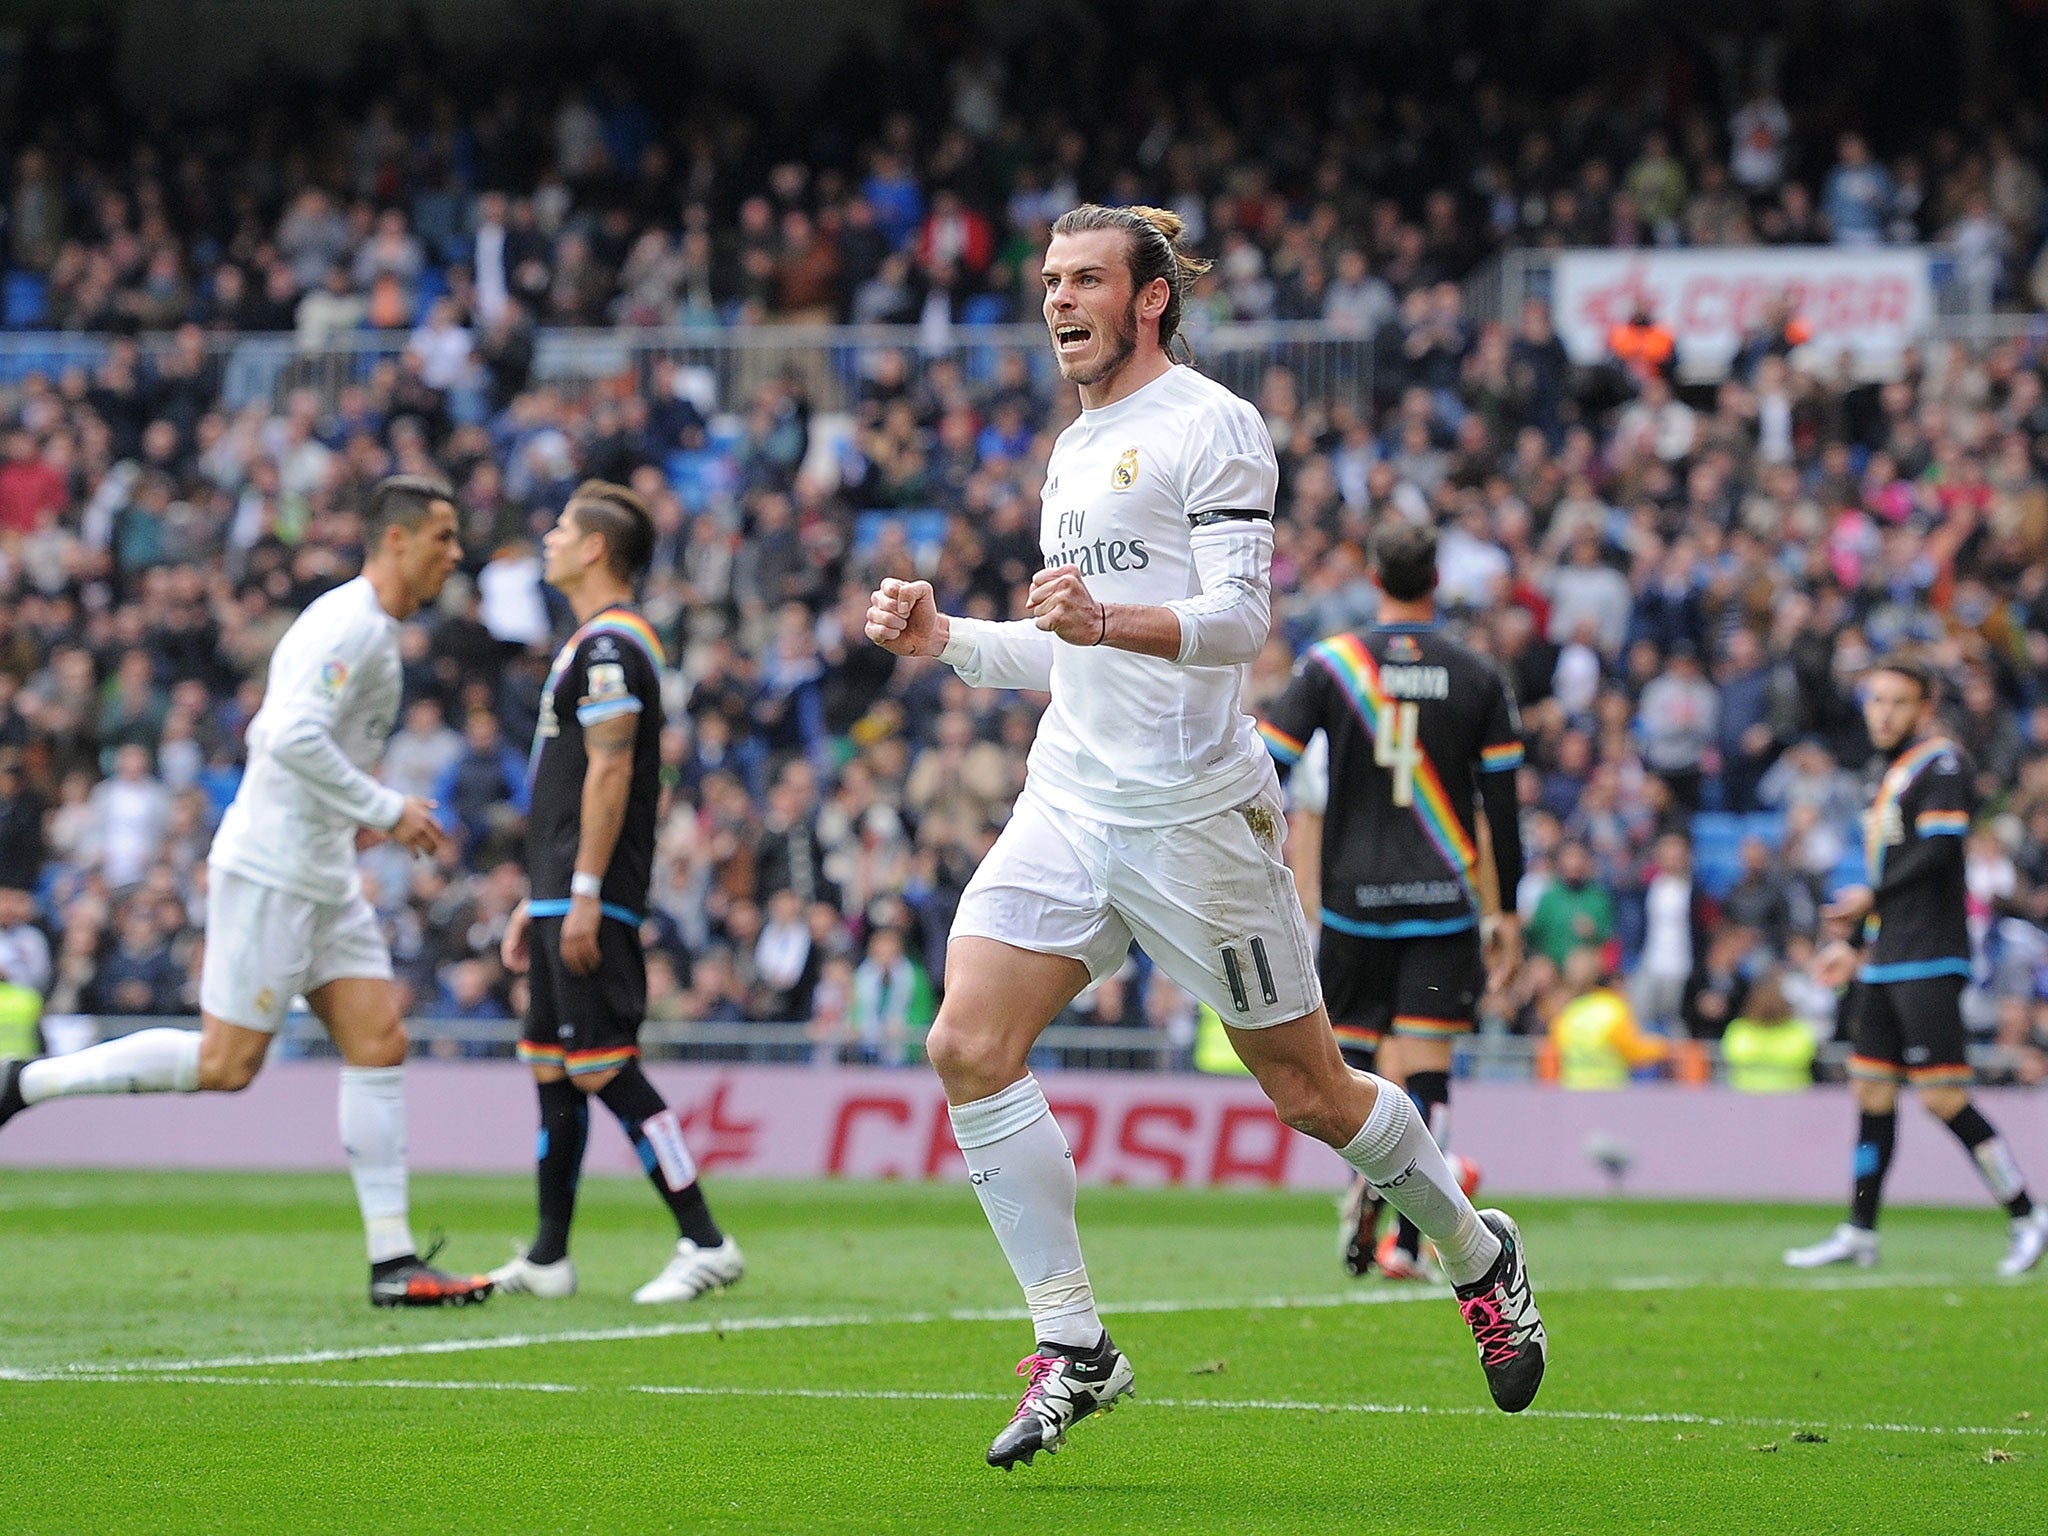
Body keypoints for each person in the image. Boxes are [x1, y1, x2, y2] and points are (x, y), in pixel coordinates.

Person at [864, 203, 1546, 1470]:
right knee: (964, 1040)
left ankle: (1475, 1250)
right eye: (1050, 281)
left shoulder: (1213, 425)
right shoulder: (1073, 449)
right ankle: (1073, 1346)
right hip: (1071, 800)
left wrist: (1103, 618)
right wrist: (945, 641)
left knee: (1309, 1091)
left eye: (1085, 281)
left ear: (1149, 299)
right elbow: (1062, 647)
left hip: (1195, 819)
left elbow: (1236, 623)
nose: (1059, 301)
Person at [0, 476, 492, 1308]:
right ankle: (21, 1084)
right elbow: (283, 733)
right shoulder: (355, 626)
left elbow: (306, 745)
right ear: (398, 539)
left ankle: (393, 1263)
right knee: (227, 1066)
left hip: (323, 871)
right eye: (443, 537)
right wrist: (384, 807)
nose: (456, 553)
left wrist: (356, 820)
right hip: (273, 870)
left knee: (379, 1042)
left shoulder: (368, 627)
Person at [493, 480, 744, 1305]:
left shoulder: (612, 647)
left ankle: (706, 1238)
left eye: (562, 527)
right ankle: (548, 1255)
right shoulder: (593, 643)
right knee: (555, 1068)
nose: (549, 539)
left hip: (588, 889)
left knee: (605, 1065)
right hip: (559, 890)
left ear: (596, 547)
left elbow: (608, 770)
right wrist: (536, 900)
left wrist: (585, 890)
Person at [1257, 518, 1524, 1281]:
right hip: (1443, 903)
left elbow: (1268, 759)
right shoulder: (1477, 674)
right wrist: (1505, 913)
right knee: (1429, 1067)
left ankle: (1368, 1186)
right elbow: (1501, 807)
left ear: (1373, 578)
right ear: (1437, 581)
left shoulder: (1333, 665)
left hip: (1352, 906)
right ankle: (1413, 1238)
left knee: (1357, 1070)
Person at [1786, 656, 2048, 1277]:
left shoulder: (1943, 764)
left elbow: (1936, 854)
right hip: (1887, 954)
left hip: (1930, 954)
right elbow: (1896, 875)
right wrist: (1857, 943)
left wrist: (1869, 900)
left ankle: (2026, 1213)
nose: (1884, 713)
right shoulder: (1888, 772)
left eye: (1898, 702)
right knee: (1871, 1089)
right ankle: (1859, 1231)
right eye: (1876, 701)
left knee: (1942, 1095)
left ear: (1925, 707)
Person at [1550, 947, 1667, 1089]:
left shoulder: (1568, 1012)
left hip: (1573, 1094)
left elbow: (1555, 1050)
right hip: (1609, 1095)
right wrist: (1662, 1047)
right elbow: (1632, 1050)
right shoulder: (1613, 1008)